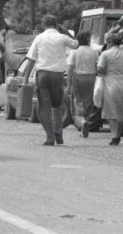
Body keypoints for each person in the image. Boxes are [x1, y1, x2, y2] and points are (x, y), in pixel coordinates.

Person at [24, 15, 78, 146]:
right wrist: (64, 31)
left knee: (44, 107)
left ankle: (50, 136)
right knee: (57, 106)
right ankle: (59, 133)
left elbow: (31, 60)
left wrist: (25, 79)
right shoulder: (62, 37)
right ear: (56, 25)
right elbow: (76, 44)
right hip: (58, 76)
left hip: (42, 75)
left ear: (43, 25)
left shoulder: (39, 38)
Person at [66, 31, 101, 138]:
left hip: (79, 77)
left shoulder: (75, 52)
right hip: (92, 78)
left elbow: (70, 69)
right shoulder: (94, 52)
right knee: (89, 102)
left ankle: (82, 121)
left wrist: (68, 85)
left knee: (78, 101)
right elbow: (98, 68)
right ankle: (85, 122)